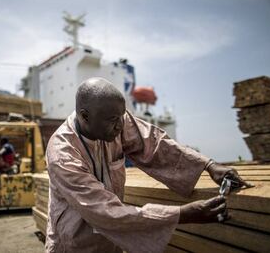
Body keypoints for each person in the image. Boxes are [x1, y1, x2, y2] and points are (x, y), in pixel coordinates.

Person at [45, 77, 252, 253]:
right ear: (85, 116)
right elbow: (103, 211)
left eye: (121, 117)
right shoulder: (63, 155)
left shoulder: (116, 122)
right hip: (73, 244)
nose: (120, 125)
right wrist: (182, 214)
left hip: (111, 244)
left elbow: (155, 144)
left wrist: (209, 165)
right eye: (112, 120)